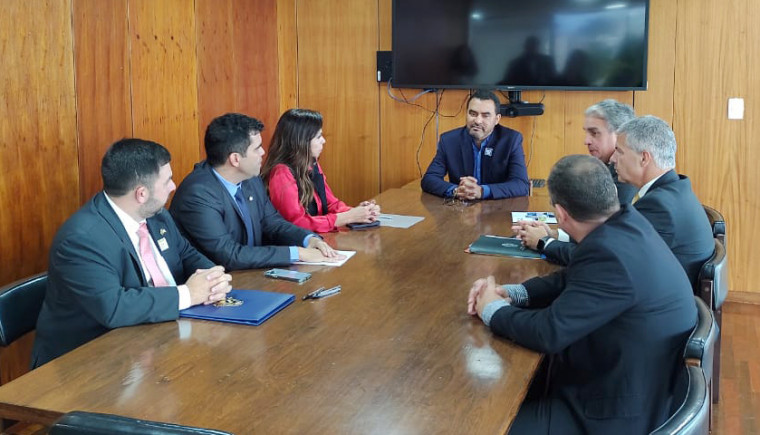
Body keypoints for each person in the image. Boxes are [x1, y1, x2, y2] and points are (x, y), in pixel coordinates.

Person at [467, 155, 696, 434]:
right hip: (629, 377)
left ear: (561, 214)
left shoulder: (609, 253)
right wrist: (514, 293)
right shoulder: (625, 223)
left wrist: (491, 308)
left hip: (610, 411)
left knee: (486, 421)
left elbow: (548, 333)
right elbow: (572, 277)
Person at [32, 139, 232, 367]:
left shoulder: (156, 215)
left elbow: (186, 253)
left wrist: (213, 280)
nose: (174, 186)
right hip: (89, 364)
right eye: (167, 181)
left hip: (155, 342)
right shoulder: (82, 239)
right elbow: (113, 307)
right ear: (141, 194)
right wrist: (189, 294)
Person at [170, 113, 342, 270]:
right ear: (235, 159)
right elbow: (229, 255)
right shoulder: (198, 194)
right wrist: (296, 253)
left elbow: (273, 223)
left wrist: (308, 239)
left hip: (254, 274)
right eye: (257, 148)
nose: (263, 152)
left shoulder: (250, 178)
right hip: (219, 286)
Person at [512, 99, 636, 261]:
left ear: (619, 134)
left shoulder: (625, 177)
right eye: (586, 132)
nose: (586, 141)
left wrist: (545, 242)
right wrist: (553, 234)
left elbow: (601, 250)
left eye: (594, 133)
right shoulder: (606, 169)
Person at [261, 108, 381, 233]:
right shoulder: (281, 173)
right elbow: (297, 223)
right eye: (318, 137)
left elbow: (330, 204)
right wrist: (348, 217)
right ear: (301, 141)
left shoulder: (311, 163)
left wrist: (360, 212)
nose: (324, 141)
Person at [421, 90, 530, 200]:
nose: (477, 121)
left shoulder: (511, 140)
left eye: (485, 116)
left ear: (497, 119)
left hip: (498, 208)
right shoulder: (449, 140)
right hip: (461, 210)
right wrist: (456, 191)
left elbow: (521, 184)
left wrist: (482, 191)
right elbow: (429, 179)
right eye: (473, 114)